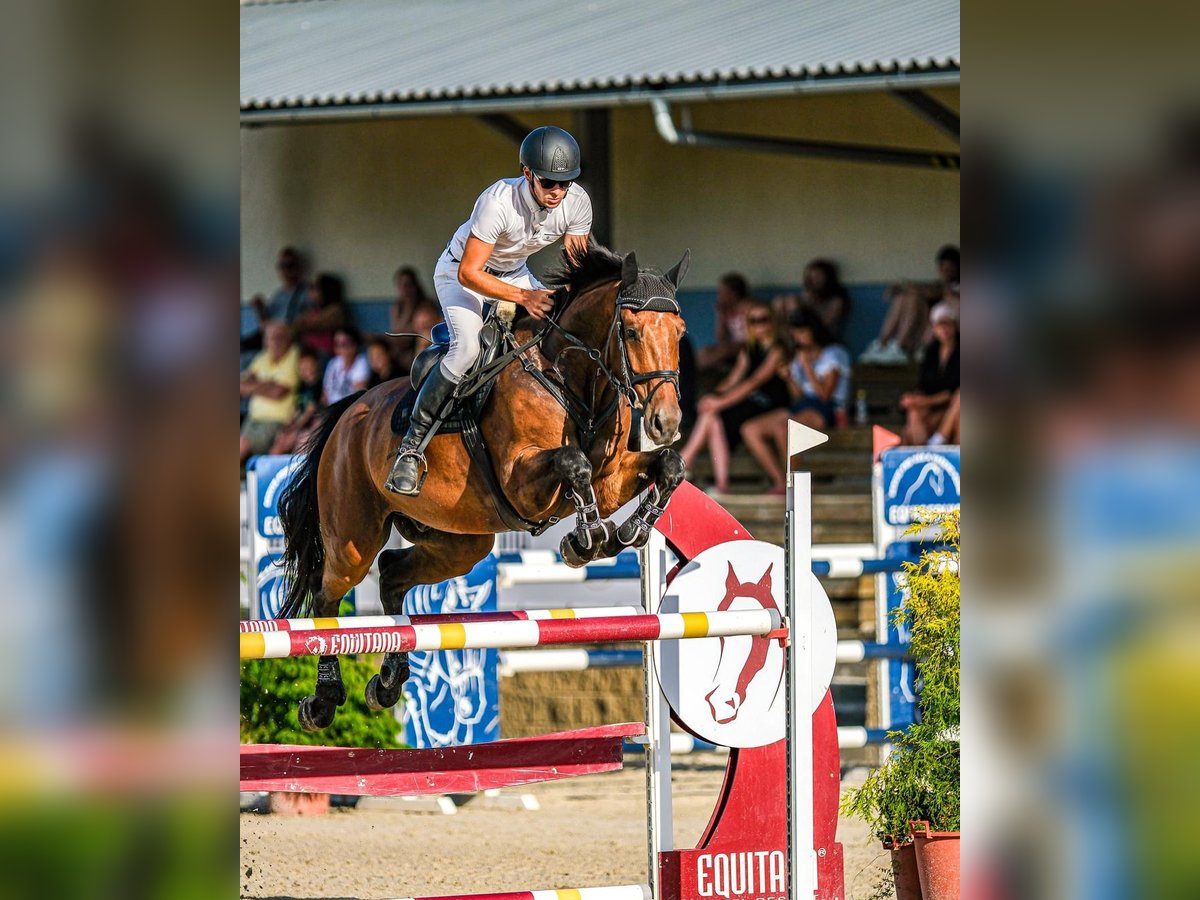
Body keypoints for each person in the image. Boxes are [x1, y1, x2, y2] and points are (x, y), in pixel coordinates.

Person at [385, 125, 592, 495]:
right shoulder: (498, 202)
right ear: (528, 173)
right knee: (467, 349)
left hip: (514, 273)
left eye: (566, 183)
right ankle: (411, 449)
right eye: (549, 183)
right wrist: (525, 298)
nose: (558, 192)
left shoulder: (576, 203)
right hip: (461, 274)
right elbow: (470, 272)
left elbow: (575, 267)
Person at [678, 300, 789, 495]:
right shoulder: (749, 350)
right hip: (750, 403)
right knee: (711, 416)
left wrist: (720, 402)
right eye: (753, 321)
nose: (758, 325)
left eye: (763, 320)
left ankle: (685, 460)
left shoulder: (778, 350)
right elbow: (733, 379)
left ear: (773, 322)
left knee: (715, 413)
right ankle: (721, 483)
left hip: (770, 404)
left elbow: (754, 381)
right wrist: (712, 397)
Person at [739, 309, 852, 494]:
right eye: (796, 333)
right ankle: (779, 482)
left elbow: (824, 394)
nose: (798, 338)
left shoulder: (834, 353)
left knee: (787, 428)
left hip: (827, 408)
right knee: (750, 429)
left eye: (802, 332)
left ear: (813, 331)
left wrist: (806, 366)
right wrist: (789, 377)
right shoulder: (798, 356)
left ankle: (795, 485)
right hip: (802, 405)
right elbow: (798, 396)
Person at [860, 244, 959, 364]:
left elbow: (938, 292)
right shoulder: (937, 285)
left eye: (950, 270)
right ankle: (883, 344)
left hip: (941, 335)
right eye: (943, 269)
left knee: (914, 296)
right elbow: (931, 290)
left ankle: (901, 346)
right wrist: (902, 288)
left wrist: (907, 286)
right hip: (922, 331)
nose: (946, 273)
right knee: (905, 298)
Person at [239, 320, 300, 463]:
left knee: (241, 446)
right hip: (253, 420)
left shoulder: (293, 355)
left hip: (276, 422)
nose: (276, 341)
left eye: (280, 337)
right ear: (265, 341)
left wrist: (254, 386)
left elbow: (277, 392)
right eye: (272, 337)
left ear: (288, 339)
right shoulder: (262, 357)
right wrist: (267, 384)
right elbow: (240, 386)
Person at [900, 302, 960, 445]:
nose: (944, 329)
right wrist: (913, 399)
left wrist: (925, 401)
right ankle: (924, 454)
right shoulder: (930, 353)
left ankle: (939, 439)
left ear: (955, 326)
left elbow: (953, 393)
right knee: (913, 415)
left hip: (954, 409)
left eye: (948, 324)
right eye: (940, 325)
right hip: (934, 409)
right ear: (934, 328)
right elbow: (923, 385)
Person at [241, 246, 308, 354]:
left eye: (290, 266)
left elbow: (306, 320)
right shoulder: (279, 294)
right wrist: (260, 308)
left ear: (298, 268)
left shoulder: (305, 293)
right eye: (282, 266)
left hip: (287, 339)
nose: (286, 270)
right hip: (270, 337)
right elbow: (265, 323)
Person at [773, 259, 851, 342]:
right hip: (795, 333)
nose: (814, 281)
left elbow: (823, 326)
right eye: (811, 278)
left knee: (793, 304)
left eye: (818, 277)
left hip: (821, 338)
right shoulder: (807, 294)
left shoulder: (836, 301)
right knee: (781, 301)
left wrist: (804, 306)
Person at [269, 347, 325, 455]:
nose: (306, 371)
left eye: (309, 366)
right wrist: (289, 424)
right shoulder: (302, 386)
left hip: (311, 424)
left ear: (316, 365)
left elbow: (310, 410)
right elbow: (296, 408)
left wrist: (296, 427)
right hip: (300, 424)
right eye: (302, 368)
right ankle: (269, 465)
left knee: (300, 442)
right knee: (281, 438)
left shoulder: (318, 385)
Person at [388, 266, 443, 372]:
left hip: (422, 343)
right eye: (401, 284)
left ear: (415, 285)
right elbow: (396, 333)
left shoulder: (426, 304)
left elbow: (420, 331)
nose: (404, 288)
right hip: (402, 347)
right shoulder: (397, 306)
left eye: (407, 284)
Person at [696, 272, 752, 373]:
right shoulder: (727, 310)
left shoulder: (748, 307)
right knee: (706, 350)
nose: (719, 296)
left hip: (748, 346)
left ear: (733, 293)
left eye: (721, 292)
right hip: (733, 347)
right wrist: (720, 315)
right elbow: (720, 338)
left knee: (723, 351)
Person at [291, 272, 348, 358]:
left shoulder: (335, 309)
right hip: (306, 351)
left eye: (314, 288)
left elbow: (312, 326)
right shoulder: (311, 310)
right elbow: (295, 326)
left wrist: (299, 327)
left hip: (323, 353)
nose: (310, 291)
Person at [323, 326, 371, 405]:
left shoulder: (362, 361)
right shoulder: (333, 363)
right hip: (333, 408)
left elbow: (359, 394)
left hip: (351, 408)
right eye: (337, 344)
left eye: (344, 343)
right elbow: (325, 393)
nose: (340, 348)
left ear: (354, 344)